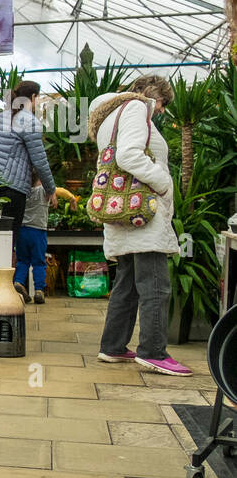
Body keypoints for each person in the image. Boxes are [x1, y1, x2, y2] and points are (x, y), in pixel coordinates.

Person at [93, 75, 191, 376]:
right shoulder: (136, 108)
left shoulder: (111, 114)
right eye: (162, 103)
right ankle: (153, 352)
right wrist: (164, 183)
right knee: (156, 286)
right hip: (142, 213)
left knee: (127, 285)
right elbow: (128, 155)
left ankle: (113, 345)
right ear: (150, 94)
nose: (161, 111)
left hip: (122, 211)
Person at [0, 79, 56, 256]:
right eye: (39, 98)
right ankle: (4, 282)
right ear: (33, 97)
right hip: (13, 189)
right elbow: (39, 160)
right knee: (8, 241)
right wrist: (51, 189)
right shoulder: (28, 121)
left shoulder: (2, 116)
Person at [14, 173, 49, 304]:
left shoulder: (22, 191)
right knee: (39, 262)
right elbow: (58, 190)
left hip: (22, 230)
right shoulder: (43, 190)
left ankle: (18, 282)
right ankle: (39, 290)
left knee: (22, 261)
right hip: (38, 231)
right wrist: (72, 199)